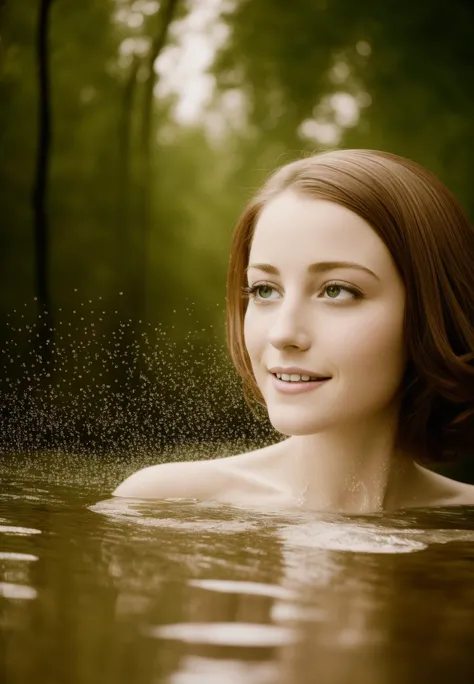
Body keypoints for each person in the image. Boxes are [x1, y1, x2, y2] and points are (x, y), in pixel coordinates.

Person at [114, 148, 474, 513]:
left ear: (432, 311)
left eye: (336, 290)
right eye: (264, 290)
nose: (282, 333)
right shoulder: (164, 505)